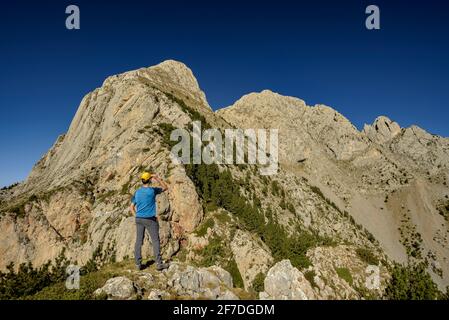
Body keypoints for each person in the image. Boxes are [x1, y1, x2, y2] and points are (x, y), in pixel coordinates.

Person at [131, 172, 169, 271]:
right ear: (150, 180)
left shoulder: (137, 192)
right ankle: (158, 263)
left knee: (139, 241)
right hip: (150, 219)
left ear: (142, 180)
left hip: (139, 218)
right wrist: (157, 178)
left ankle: (138, 264)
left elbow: (131, 207)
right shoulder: (152, 191)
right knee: (155, 240)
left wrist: (137, 215)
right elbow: (165, 187)